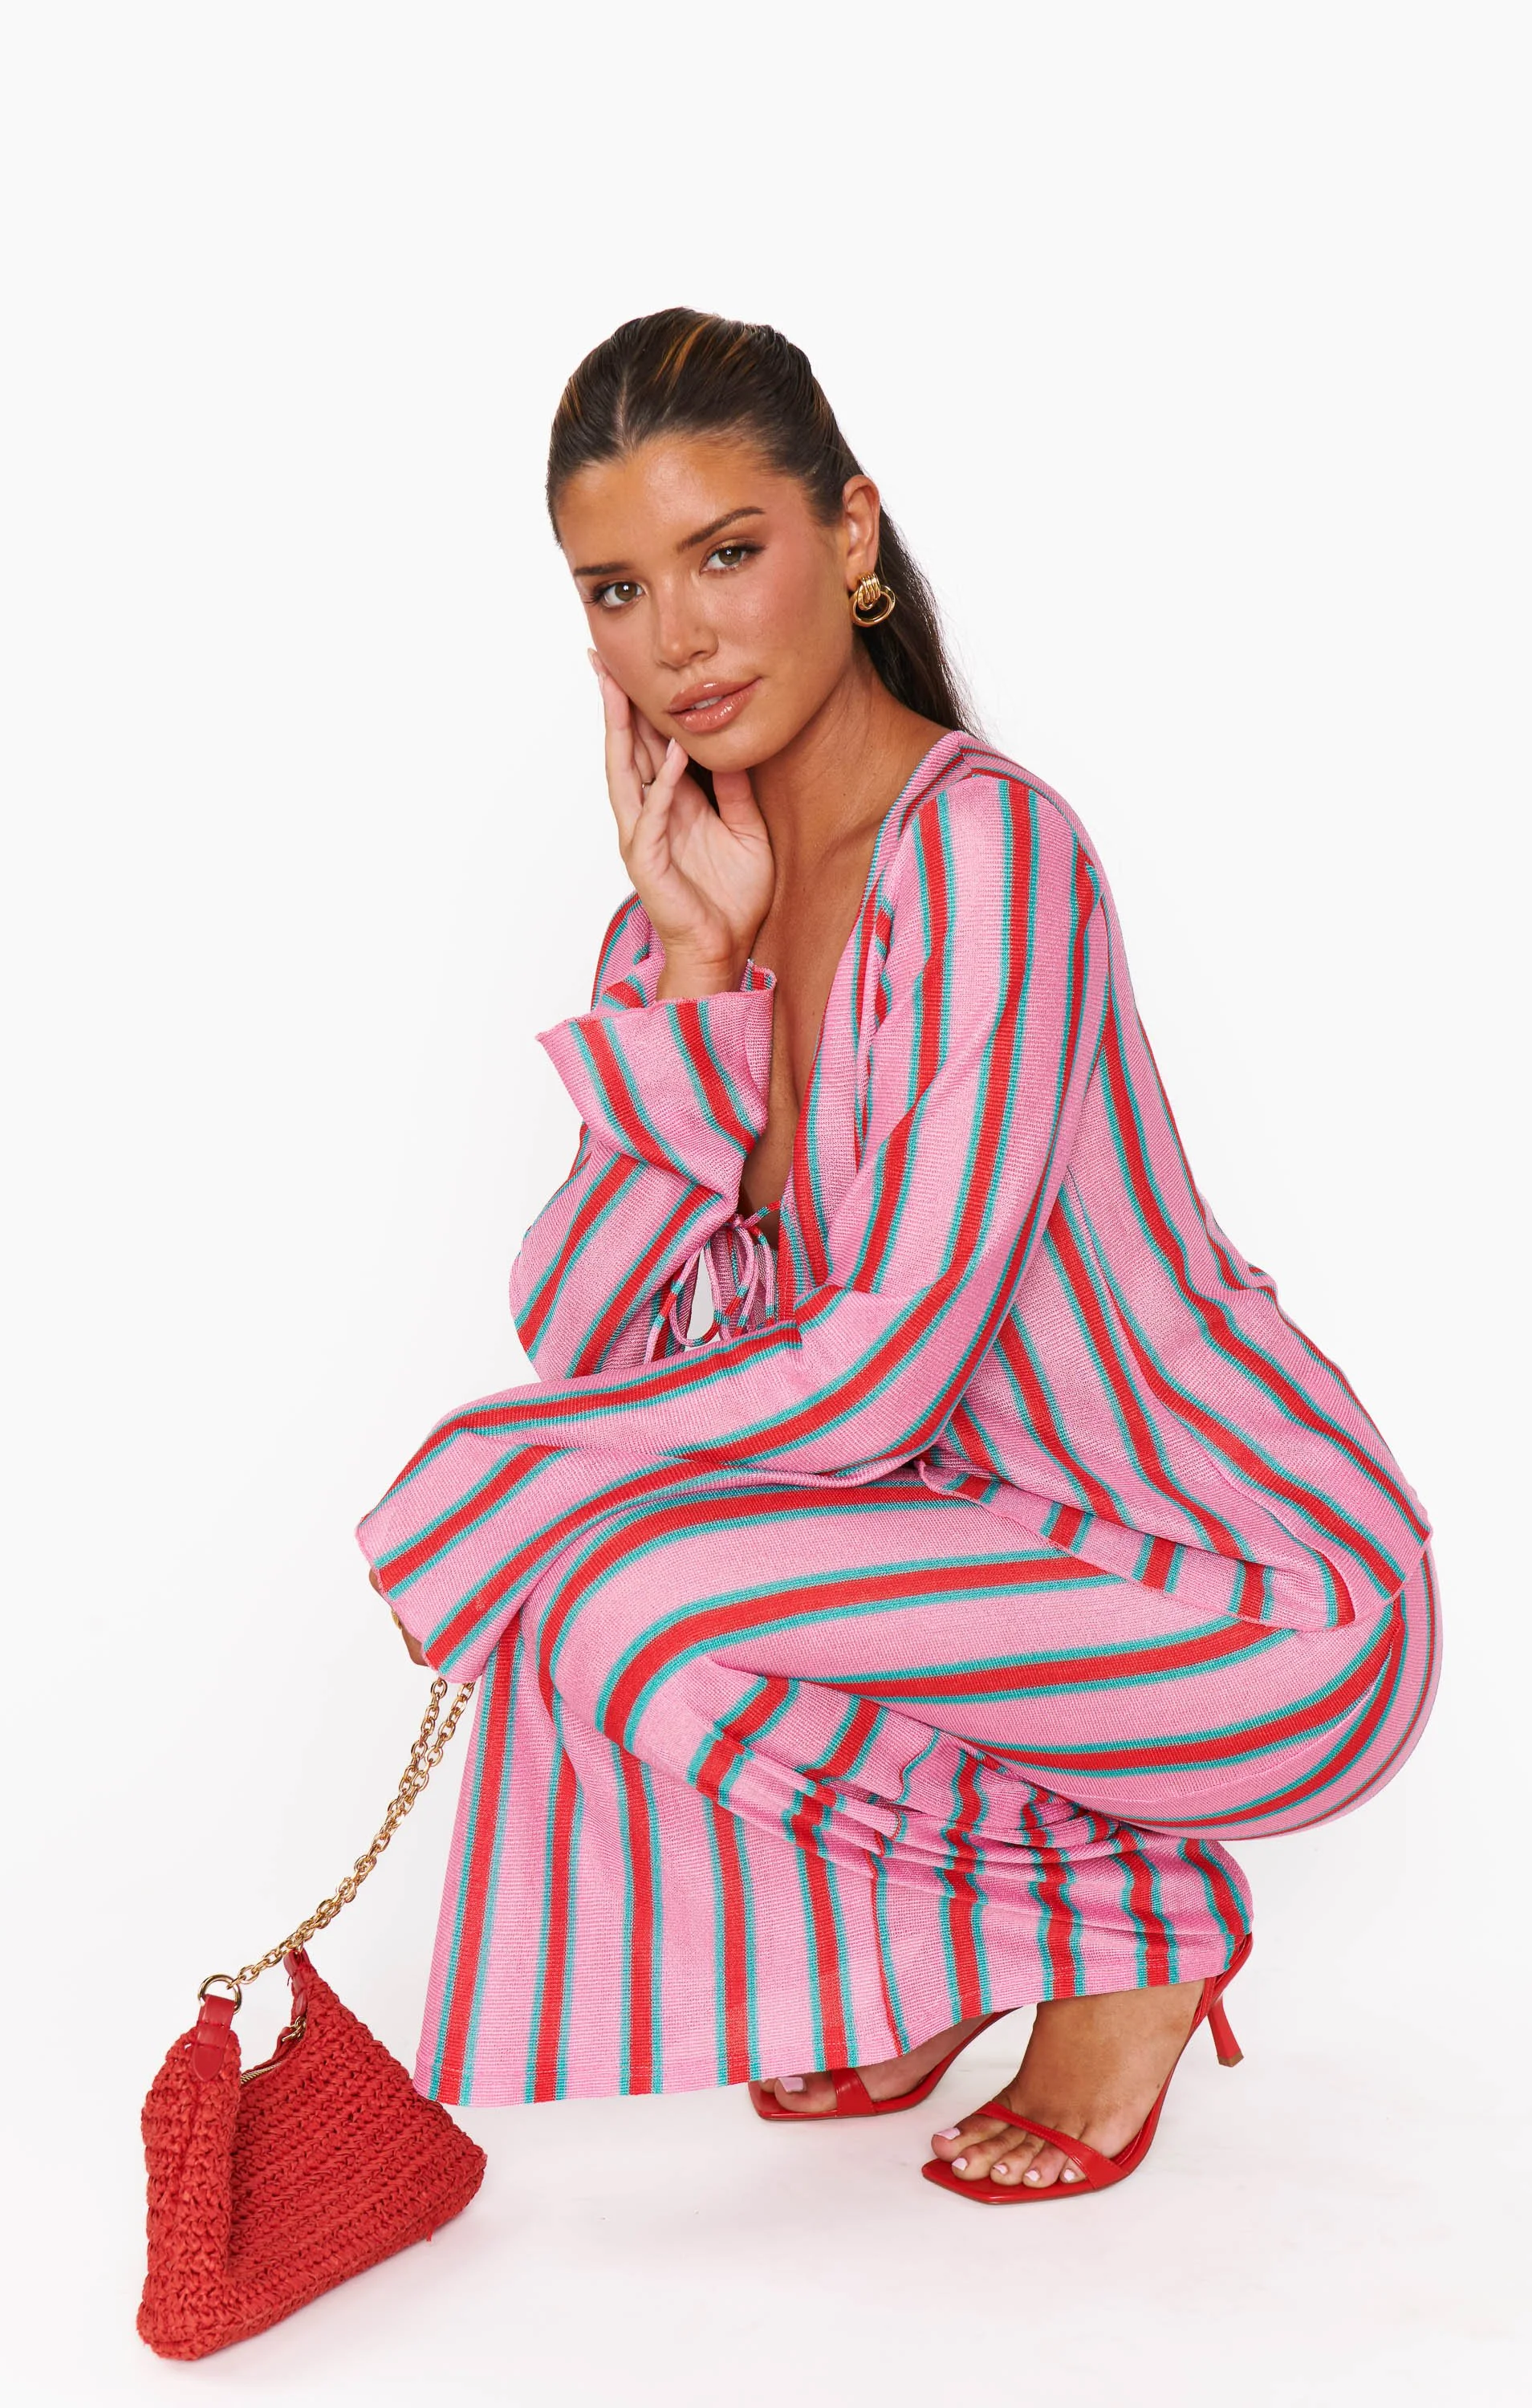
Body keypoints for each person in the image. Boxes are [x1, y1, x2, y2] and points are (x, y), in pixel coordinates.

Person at [358, 307, 1437, 2202]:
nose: (677, 638)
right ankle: (987, 1939)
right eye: (616, 590)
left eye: (726, 554)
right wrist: (692, 977)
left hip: (1256, 1595)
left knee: (608, 1572)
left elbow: (882, 1377)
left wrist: (493, 1483)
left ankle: (1132, 1939)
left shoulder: (992, 855)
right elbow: (592, 1343)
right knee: (597, 1583)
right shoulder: (678, 925)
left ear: (849, 534)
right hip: (993, 1566)